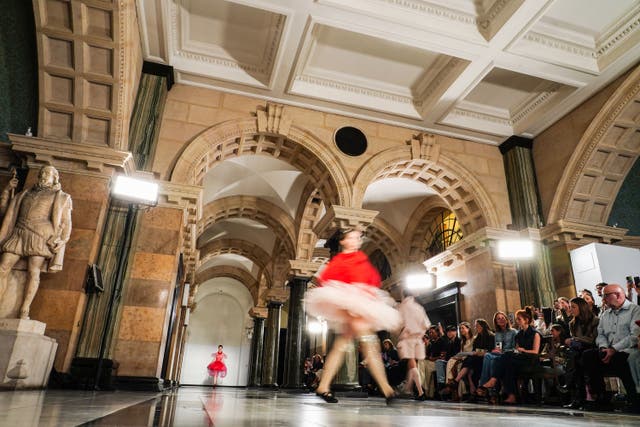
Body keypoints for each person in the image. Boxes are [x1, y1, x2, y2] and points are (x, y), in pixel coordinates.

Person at [305, 227, 401, 403]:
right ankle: (387, 389)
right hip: (350, 303)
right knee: (369, 344)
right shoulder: (341, 259)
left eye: (358, 237)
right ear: (343, 241)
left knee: (342, 345)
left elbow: (371, 280)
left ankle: (323, 385)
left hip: (359, 302)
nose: (356, 240)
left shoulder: (361, 258)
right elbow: (329, 279)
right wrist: (350, 305)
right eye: (352, 237)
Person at [0, 165, 72, 319]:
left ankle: (24, 310)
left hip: (40, 235)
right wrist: (7, 190)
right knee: (3, 267)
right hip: (19, 232)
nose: (43, 176)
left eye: (47, 173)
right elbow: (5, 213)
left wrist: (63, 238)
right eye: (42, 173)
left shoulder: (60, 196)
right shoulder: (23, 194)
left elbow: (66, 221)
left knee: (34, 271)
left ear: (55, 177)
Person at [581, 284, 640, 412]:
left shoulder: (635, 310)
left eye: (605, 296)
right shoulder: (605, 314)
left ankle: (633, 398)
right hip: (608, 350)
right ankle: (602, 398)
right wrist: (603, 348)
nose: (602, 299)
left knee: (620, 358)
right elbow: (600, 334)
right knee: (588, 355)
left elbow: (634, 336)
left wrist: (613, 349)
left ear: (618, 295)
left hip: (627, 349)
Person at [562, 297, 599, 409]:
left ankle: (571, 389)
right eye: (570, 307)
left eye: (573, 307)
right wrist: (574, 341)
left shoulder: (595, 320)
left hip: (592, 349)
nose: (571, 309)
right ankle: (578, 398)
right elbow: (575, 340)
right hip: (578, 350)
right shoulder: (572, 323)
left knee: (575, 357)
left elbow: (593, 339)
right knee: (574, 357)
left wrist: (575, 339)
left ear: (581, 307)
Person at [396, 289, 430, 400]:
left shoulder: (403, 307)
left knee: (412, 364)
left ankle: (420, 392)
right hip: (418, 338)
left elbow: (398, 323)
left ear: (403, 295)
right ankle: (408, 389)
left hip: (408, 338)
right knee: (412, 364)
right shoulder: (419, 308)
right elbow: (426, 324)